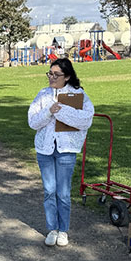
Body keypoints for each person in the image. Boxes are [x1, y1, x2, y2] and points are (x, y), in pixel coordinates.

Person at [28, 58, 94, 247]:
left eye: (56, 74)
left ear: (67, 77)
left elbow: (85, 120)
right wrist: (49, 111)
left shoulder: (78, 95)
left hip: (66, 150)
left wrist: (60, 111)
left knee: (63, 192)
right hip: (45, 150)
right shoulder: (43, 95)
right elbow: (33, 122)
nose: (52, 77)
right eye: (50, 73)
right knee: (49, 191)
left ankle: (63, 230)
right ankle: (52, 229)